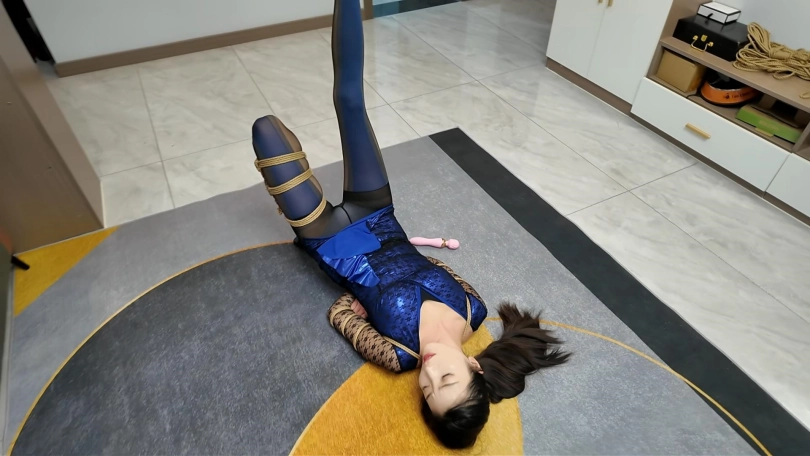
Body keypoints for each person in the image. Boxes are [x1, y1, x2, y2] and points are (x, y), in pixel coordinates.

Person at [250, 0, 570, 448]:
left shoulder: (397, 355)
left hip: (330, 242)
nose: (430, 373)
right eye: (447, 379)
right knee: (350, 100)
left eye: (427, 390)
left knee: (265, 130)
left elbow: (339, 315)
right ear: (474, 366)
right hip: (379, 214)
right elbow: (437, 268)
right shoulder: (474, 309)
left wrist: (363, 296)